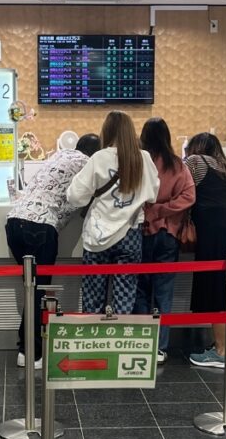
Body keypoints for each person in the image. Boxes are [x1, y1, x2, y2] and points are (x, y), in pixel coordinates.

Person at [5, 133, 101, 368]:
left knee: (32, 288)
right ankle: (32, 352)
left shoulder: (58, 156)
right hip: (40, 227)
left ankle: (25, 348)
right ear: (95, 153)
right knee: (39, 290)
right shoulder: (87, 164)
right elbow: (87, 197)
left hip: (14, 223)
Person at [67, 110, 159, 314]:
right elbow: (153, 194)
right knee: (125, 300)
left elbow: (75, 196)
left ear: (106, 131)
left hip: (97, 237)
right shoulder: (144, 158)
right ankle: (119, 344)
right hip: (131, 234)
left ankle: (93, 342)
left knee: (93, 299)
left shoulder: (99, 158)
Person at [185, 132, 226, 369]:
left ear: (195, 148)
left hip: (215, 230)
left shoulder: (195, 162)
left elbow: (182, 189)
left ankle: (221, 351)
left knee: (215, 286)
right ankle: (223, 347)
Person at [133, 117, 195, 363]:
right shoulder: (179, 165)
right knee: (163, 290)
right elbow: (189, 196)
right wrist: (166, 209)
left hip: (142, 231)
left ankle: (140, 342)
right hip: (168, 234)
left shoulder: (139, 162)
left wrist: (152, 210)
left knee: (139, 288)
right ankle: (160, 347)